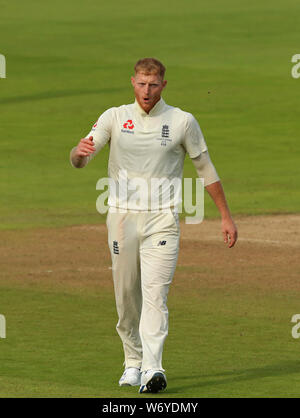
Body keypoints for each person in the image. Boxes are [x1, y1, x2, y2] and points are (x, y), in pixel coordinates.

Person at [70, 58, 238, 394]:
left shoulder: (181, 121)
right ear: (133, 82)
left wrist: (225, 215)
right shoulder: (114, 117)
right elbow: (82, 158)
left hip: (163, 219)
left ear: (163, 85)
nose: (147, 91)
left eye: (154, 85)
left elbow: (205, 168)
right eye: (142, 84)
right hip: (121, 218)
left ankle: (152, 369)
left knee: (155, 295)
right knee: (126, 294)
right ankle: (132, 361)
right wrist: (78, 151)